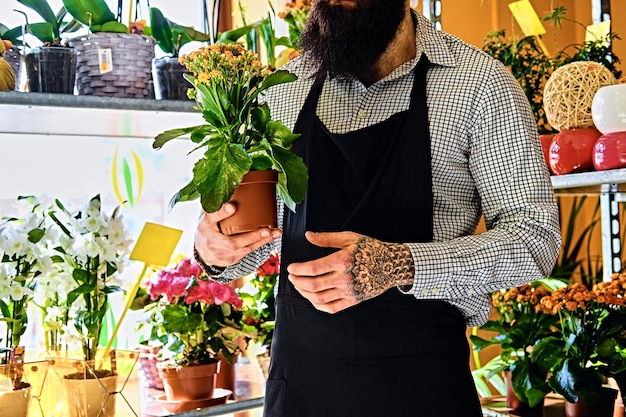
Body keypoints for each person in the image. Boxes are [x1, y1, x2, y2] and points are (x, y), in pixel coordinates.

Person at [193, 0, 562, 415]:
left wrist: (401, 264)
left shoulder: (479, 85)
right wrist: (214, 248)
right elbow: (256, 238)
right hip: (301, 388)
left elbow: (535, 238)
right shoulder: (282, 88)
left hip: (420, 388)